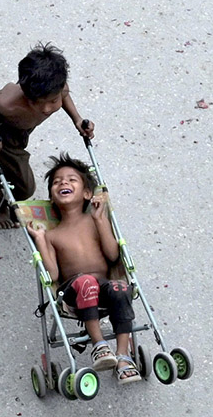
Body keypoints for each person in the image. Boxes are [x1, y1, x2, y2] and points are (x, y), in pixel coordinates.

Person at [26, 153, 141, 384]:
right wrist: (39, 239)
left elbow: (112, 255)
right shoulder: (52, 234)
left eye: (71, 180)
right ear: (51, 196)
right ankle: (99, 344)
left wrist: (100, 220)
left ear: (87, 194)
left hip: (104, 286)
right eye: (57, 182)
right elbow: (54, 275)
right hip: (73, 291)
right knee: (85, 282)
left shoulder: (94, 221)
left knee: (120, 286)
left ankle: (123, 355)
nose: (63, 183)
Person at [0, 42, 95, 229]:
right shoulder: (8, 104)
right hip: (8, 136)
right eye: (37, 103)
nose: (46, 109)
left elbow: (64, 95)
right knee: (24, 188)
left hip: (25, 127)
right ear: (25, 94)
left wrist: (77, 119)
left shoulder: (58, 88)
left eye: (53, 101)